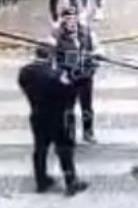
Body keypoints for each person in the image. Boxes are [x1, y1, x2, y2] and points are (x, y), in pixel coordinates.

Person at [18, 46, 89, 196]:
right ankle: (71, 181)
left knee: (40, 149)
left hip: (37, 114)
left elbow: (24, 86)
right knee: (64, 149)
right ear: (51, 57)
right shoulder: (57, 75)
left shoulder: (24, 72)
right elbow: (69, 94)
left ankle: (41, 180)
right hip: (57, 117)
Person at [48, 6, 102, 145]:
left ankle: (88, 132)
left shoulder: (87, 32)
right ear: (63, 20)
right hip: (68, 77)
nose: (71, 22)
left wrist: (96, 59)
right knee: (68, 108)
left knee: (87, 107)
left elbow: (98, 50)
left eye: (73, 18)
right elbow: (51, 58)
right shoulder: (57, 35)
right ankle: (70, 134)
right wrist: (59, 74)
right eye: (68, 19)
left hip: (85, 76)